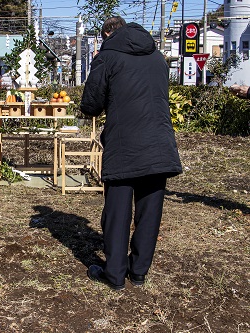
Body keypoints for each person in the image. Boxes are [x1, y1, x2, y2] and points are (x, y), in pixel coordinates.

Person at [80, 16, 182, 290]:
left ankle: (114, 275)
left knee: (117, 212)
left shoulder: (108, 56)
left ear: (107, 34)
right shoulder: (157, 56)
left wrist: (98, 65)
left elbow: (90, 104)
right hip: (159, 145)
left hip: (124, 145)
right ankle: (138, 272)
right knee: (149, 212)